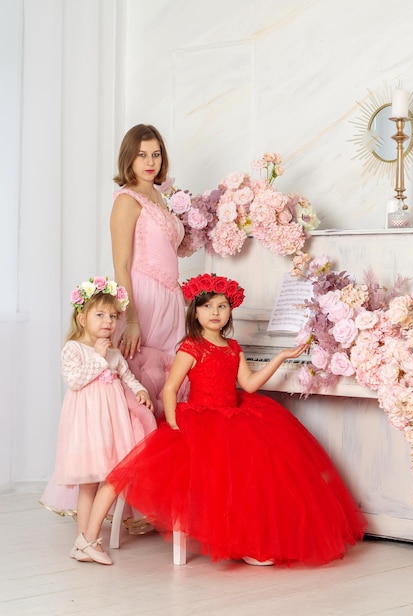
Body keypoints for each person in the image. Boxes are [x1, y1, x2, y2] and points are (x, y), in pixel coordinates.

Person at [74, 273, 367, 566]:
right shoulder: (191, 346)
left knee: (257, 469)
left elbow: (249, 385)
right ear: (195, 311)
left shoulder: (233, 347)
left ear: (230, 311)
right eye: (207, 307)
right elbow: (171, 389)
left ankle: (251, 542)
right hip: (198, 418)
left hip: (234, 415)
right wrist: (175, 423)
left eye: (222, 306)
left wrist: (281, 358)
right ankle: (88, 538)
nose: (215, 313)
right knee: (195, 474)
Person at [44, 277, 156, 565]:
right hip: (86, 424)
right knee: (90, 483)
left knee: (114, 475)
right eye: (100, 315)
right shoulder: (74, 349)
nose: (109, 321)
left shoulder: (115, 352)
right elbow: (75, 380)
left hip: (112, 421)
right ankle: (86, 540)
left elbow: (127, 376)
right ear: (82, 318)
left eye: (113, 316)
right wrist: (98, 356)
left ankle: (85, 541)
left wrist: (140, 390)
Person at [110, 123, 186, 365]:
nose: (150, 162)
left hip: (171, 297)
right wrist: (131, 320)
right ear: (129, 158)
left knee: (168, 377)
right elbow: (121, 265)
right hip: (143, 297)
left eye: (156, 154)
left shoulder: (161, 198)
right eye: (141, 155)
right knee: (139, 374)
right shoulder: (126, 200)